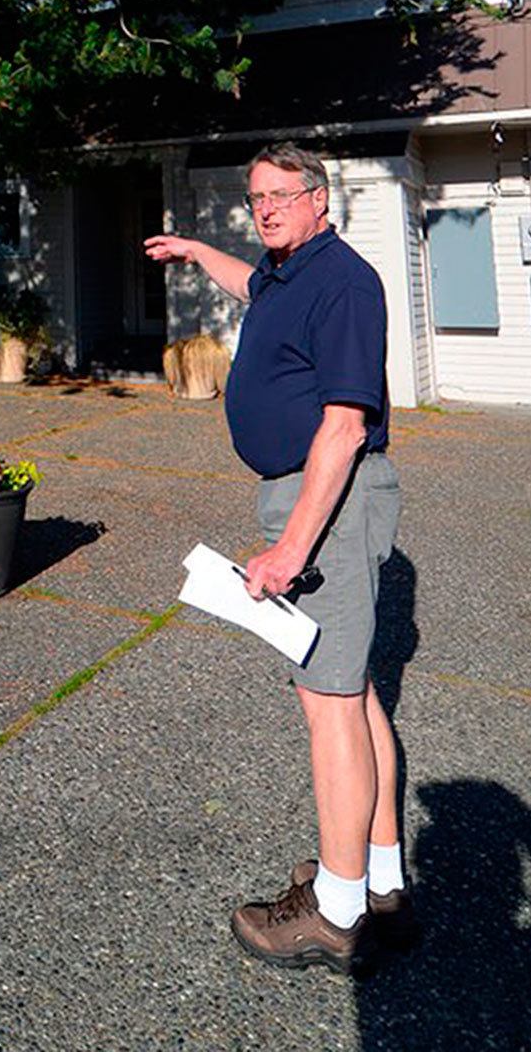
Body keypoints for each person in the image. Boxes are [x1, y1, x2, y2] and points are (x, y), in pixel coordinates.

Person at [145, 141, 412, 974]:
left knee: (327, 702)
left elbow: (343, 424)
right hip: (305, 494)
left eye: (281, 196)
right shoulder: (286, 273)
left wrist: (290, 548)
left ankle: (333, 913)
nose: (265, 208)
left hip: (326, 502)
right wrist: (195, 252)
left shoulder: (343, 281)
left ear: (319, 198)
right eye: (256, 196)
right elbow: (245, 282)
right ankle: (378, 875)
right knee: (356, 691)